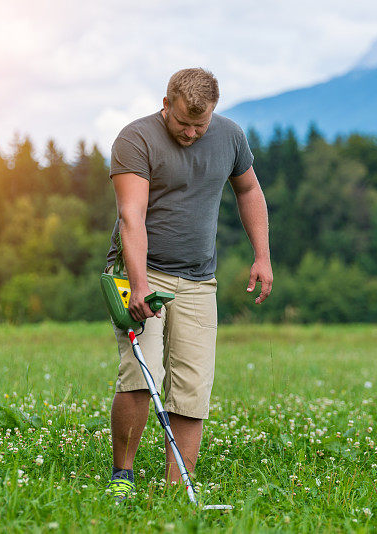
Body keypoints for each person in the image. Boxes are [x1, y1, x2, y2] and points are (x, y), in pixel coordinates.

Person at [104, 68, 273, 503]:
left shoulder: (230, 136)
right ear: (166, 105)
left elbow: (250, 190)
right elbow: (131, 216)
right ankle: (123, 475)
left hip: (200, 278)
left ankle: (178, 489)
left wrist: (262, 256)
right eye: (183, 123)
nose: (192, 132)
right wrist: (139, 284)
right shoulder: (135, 139)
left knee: (192, 386)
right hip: (143, 273)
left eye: (202, 124)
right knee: (143, 372)